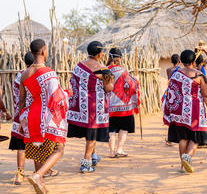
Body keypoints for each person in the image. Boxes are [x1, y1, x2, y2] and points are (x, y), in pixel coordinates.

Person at [18, 39, 71, 194]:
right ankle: (38, 174)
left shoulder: (24, 75)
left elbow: (21, 100)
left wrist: (22, 119)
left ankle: (39, 184)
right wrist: (68, 94)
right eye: (46, 50)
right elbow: (57, 97)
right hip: (46, 116)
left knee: (37, 151)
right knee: (59, 149)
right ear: (43, 51)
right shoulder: (49, 72)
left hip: (30, 116)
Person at [163, 50, 207, 173]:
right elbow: (206, 95)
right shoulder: (199, 75)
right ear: (193, 61)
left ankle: (182, 166)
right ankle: (188, 156)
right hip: (194, 111)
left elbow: (171, 91)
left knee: (183, 138)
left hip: (179, 111)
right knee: (196, 138)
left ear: (182, 61)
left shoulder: (175, 74)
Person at [67, 41, 114, 173]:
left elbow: (73, 84)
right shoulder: (103, 69)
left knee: (89, 135)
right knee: (91, 138)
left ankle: (93, 157)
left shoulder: (78, 67)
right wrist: (107, 82)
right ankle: (85, 164)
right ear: (100, 54)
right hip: (95, 109)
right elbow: (109, 88)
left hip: (81, 108)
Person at [107, 48, 139, 158]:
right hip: (124, 107)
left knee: (111, 129)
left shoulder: (105, 71)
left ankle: (111, 152)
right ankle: (119, 149)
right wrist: (136, 80)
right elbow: (131, 86)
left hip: (109, 106)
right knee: (123, 128)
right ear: (119, 58)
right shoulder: (123, 72)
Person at [9, 51, 34, 185]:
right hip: (33, 116)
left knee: (21, 146)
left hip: (20, 116)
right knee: (39, 145)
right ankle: (43, 172)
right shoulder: (35, 75)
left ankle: (20, 174)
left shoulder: (19, 76)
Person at [164, 54, 180, 146]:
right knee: (177, 116)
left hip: (169, 93)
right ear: (179, 62)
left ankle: (170, 139)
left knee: (171, 116)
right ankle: (174, 139)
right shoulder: (180, 70)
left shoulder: (168, 70)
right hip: (177, 94)